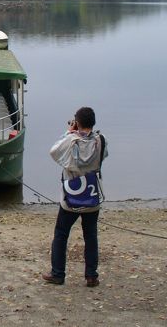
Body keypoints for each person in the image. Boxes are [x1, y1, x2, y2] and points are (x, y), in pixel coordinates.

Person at [42, 107, 107, 288]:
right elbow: (104, 156)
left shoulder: (70, 141)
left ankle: (58, 273)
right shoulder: (101, 140)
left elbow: (54, 152)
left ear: (76, 122)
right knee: (91, 235)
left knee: (61, 234)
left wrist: (68, 133)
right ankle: (91, 276)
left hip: (71, 196)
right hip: (92, 194)